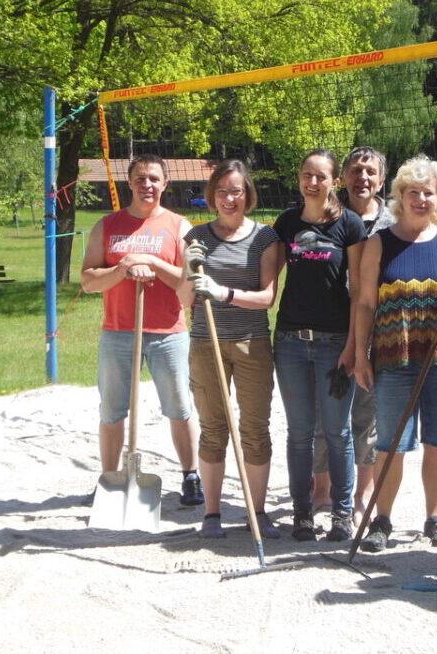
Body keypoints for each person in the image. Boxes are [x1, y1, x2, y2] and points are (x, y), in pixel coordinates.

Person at [354, 155, 437, 552]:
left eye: (429, 193)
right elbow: (366, 304)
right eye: (413, 192)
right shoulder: (379, 244)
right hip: (393, 359)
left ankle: (435, 519)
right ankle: (382, 520)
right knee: (390, 445)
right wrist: (359, 354)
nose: (421, 199)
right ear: (399, 197)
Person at [80, 154, 203, 507]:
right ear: (129, 183)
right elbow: (88, 281)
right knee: (112, 410)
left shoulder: (180, 227)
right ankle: (109, 478)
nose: (146, 185)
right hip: (118, 331)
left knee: (179, 407)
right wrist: (123, 269)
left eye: (153, 179)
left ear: (165, 183)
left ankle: (190, 475)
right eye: (139, 179)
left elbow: (189, 282)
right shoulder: (107, 225)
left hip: (168, 332)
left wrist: (151, 262)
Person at [179, 159, 282, 539]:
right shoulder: (196, 236)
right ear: (212, 196)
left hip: (252, 344)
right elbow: (183, 298)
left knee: (255, 429)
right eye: (222, 191)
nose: (229, 198)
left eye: (236, 190)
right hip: (206, 343)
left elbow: (267, 297)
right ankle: (211, 514)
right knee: (213, 429)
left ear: (247, 194)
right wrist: (191, 271)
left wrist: (223, 292)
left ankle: (257, 511)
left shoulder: (265, 238)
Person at [273, 149, 366, 542]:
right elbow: (266, 278)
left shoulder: (350, 225)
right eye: (306, 175)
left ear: (334, 182)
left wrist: (354, 346)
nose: (312, 182)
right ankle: (302, 512)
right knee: (298, 432)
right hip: (291, 342)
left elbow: (360, 290)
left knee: (337, 431)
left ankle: (342, 514)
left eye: (321, 176)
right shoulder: (287, 222)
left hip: (334, 344)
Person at [311, 146, 396, 525]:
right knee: (321, 416)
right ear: (343, 177)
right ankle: (322, 491)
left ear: (382, 179)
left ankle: (362, 494)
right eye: (356, 170)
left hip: (380, 333)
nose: (363, 177)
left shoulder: (395, 222)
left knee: (368, 419)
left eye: (370, 171)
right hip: (329, 327)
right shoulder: (327, 217)